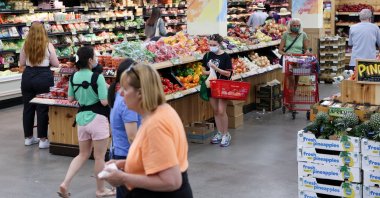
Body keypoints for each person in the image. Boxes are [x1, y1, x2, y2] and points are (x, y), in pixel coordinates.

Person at [102, 63, 193, 197]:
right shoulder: (161, 112)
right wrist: (125, 163)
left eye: (125, 89)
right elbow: (157, 160)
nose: (120, 93)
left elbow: (172, 181)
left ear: (139, 93)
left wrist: (123, 178)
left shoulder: (156, 125)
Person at [58, 46, 115, 198]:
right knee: (99, 157)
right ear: (90, 60)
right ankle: (100, 189)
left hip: (82, 119)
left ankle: (65, 183)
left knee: (82, 154)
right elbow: (104, 102)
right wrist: (109, 91)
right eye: (95, 58)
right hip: (98, 119)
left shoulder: (73, 77)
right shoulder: (98, 77)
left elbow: (70, 98)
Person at [20, 21, 59, 149]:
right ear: (43, 31)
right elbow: (56, 64)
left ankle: (28, 138)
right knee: (42, 109)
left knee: (28, 108)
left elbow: (21, 62)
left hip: (28, 76)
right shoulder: (48, 45)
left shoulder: (25, 45)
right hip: (43, 76)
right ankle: (43, 140)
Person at [107, 58, 142, 198]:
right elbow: (132, 136)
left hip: (119, 151)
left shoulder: (117, 95)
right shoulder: (128, 102)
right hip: (127, 156)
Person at [202, 34, 233, 147]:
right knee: (215, 111)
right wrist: (210, 71)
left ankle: (226, 134)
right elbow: (203, 71)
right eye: (210, 44)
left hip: (223, 86)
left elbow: (228, 73)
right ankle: (219, 132)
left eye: (214, 45)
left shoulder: (225, 57)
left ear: (219, 44)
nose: (211, 47)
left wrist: (215, 68)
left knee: (221, 111)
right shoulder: (207, 55)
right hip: (211, 85)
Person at [279, 18, 310, 107]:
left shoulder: (303, 35)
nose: (296, 27)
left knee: (296, 81)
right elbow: (280, 50)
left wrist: (307, 52)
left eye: (298, 26)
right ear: (290, 26)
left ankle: (290, 99)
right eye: (294, 25)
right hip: (289, 61)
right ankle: (291, 102)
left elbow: (305, 48)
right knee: (291, 81)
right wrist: (286, 53)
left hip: (299, 61)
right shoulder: (285, 35)